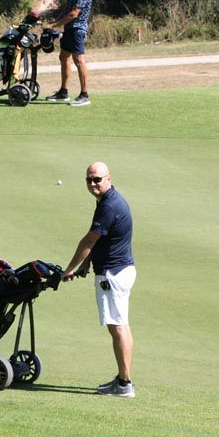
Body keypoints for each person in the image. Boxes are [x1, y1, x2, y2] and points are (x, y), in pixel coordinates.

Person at [61, 161, 136, 397]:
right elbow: (103, 239)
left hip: (112, 274)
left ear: (108, 179)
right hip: (119, 270)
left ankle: (125, 384)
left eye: (97, 180)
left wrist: (69, 269)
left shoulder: (109, 206)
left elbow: (89, 241)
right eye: (89, 180)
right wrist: (86, 265)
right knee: (120, 325)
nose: (93, 184)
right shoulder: (108, 200)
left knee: (118, 327)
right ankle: (123, 379)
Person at [43, 0, 93, 106]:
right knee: (63, 56)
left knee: (79, 60)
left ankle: (84, 95)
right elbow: (67, 9)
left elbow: (74, 13)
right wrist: (56, 22)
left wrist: (54, 25)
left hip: (78, 29)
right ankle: (63, 92)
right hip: (69, 28)